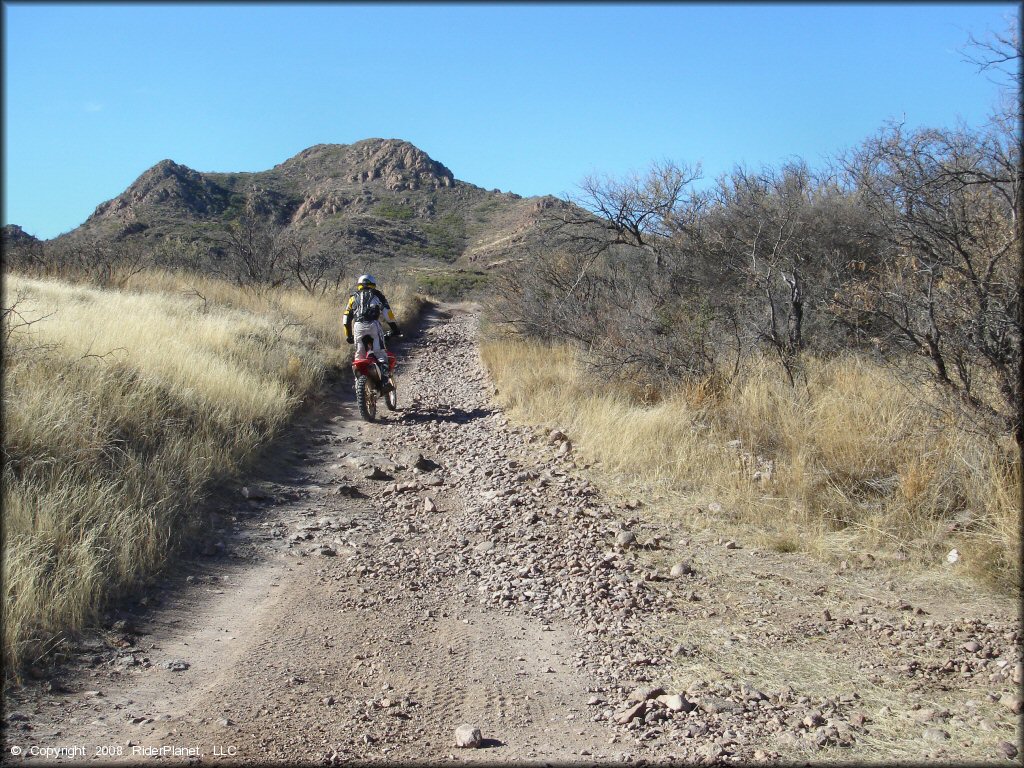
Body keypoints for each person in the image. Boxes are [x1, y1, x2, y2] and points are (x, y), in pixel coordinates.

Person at [342, 274, 402, 385]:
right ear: (373, 285)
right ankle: (385, 381)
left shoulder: (352, 297)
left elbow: (346, 319)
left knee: (359, 356)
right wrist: (395, 330)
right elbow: (388, 315)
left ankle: (358, 383)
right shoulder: (377, 295)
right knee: (380, 353)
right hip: (373, 325)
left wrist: (349, 335)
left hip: (358, 326)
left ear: (359, 285)